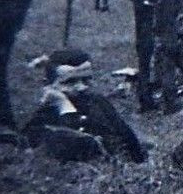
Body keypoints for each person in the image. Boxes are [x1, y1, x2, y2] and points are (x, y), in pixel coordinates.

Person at [17, 48, 147, 163]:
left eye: (85, 80)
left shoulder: (95, 101)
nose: (80, 87)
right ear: (49, 85)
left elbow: (126, 135)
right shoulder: (46, 114)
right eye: (70, 82)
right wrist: (65, 107)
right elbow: (76, 145)